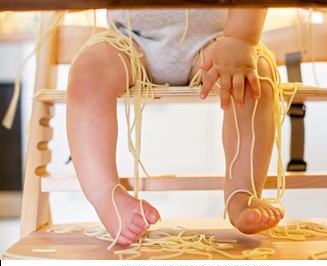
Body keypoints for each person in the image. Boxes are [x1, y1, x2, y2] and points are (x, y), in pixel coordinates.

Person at [66, 8, 284, 246]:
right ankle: (105, 194)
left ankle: (243, 194)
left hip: (216, 45)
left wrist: (240, 39)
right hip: (130, 42)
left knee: (257, 74)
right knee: (87, 71)